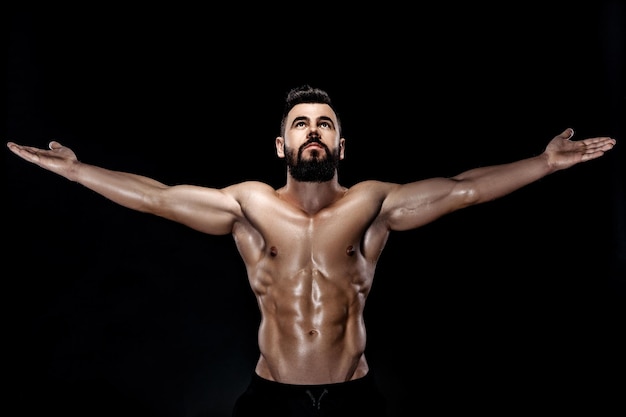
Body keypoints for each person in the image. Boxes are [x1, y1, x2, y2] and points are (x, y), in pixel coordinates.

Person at [6, 85, 617, 417]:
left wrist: (543, 163)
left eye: (324, 124)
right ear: (281, 144)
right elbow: (159, 199)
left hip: (355, 400)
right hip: (269, 404)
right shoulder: (249, 205)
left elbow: (462, 190)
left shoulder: (373, 203)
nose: (313, 132)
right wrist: (78, 172)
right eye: (301, 123)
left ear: (341, 143)